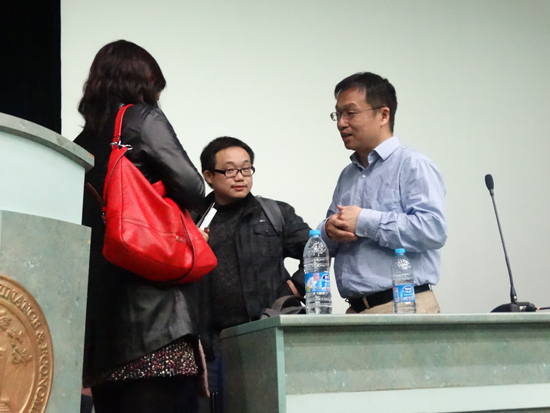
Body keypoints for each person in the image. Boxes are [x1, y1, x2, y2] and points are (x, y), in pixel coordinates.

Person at [74, 40, 205, 413]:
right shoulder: (143, 119)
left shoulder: (80, 143)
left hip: (103, 334)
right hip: (156, 323)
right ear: (141, 83)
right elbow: (193, 188)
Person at [195, 137, 311, 412]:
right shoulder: (191, 218)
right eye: (230, 170)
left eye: (246, 169)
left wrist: (296, 287)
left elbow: (317, 252)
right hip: (213, 344)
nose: (240, 177)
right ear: (209, 176)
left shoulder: (274, 213)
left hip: (267, 334)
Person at [319, 72, 447, 314]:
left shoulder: (412, 165)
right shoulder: (348, 175)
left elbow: (433, 229)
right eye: (338, 114)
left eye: (350, 113)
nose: (341, 123)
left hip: (404, 306)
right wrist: (329, 229)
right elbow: (330, 238)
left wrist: (364, 221)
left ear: (383, 115)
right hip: (355, 312)